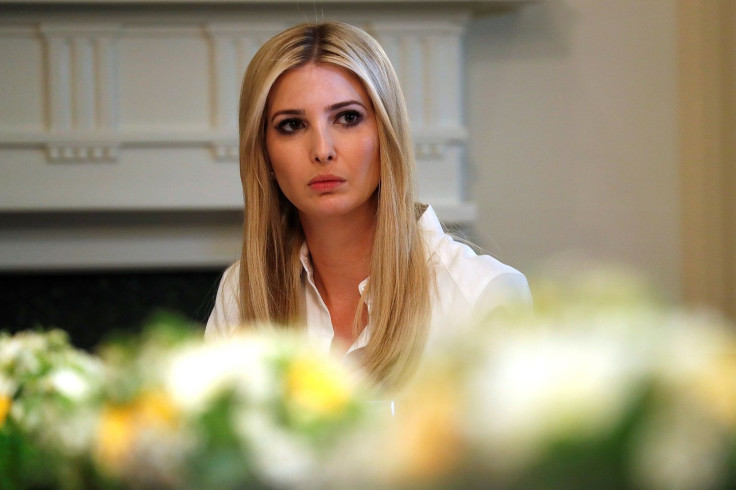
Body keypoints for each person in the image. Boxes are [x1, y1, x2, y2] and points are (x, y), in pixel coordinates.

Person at [206, 21, 531, 388]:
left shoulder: (483, 295)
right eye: (292, 125)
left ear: (386, 134)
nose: (322, 150)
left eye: (347, 118)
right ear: (263, 151)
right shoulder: (242, 291)